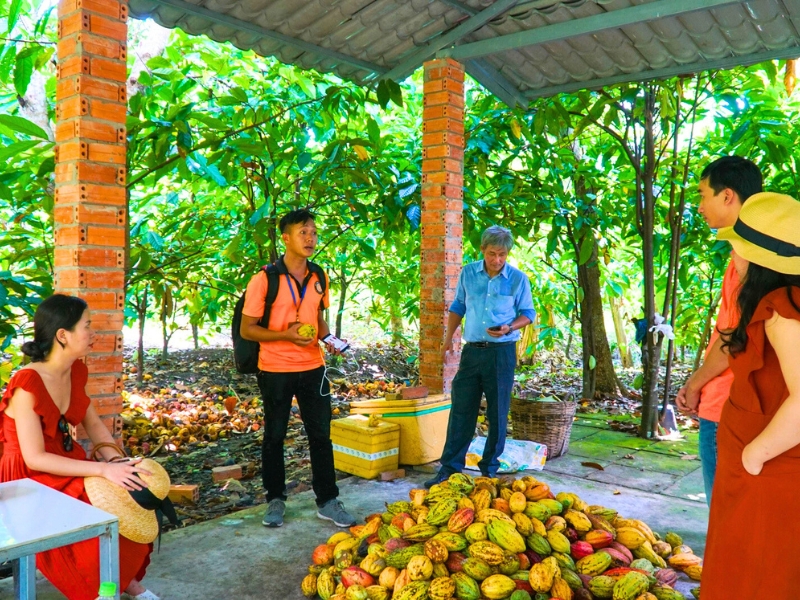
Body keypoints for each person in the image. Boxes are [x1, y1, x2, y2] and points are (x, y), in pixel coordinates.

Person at [0, 294, 158, 600]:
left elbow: (95, 426)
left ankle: (126, 582)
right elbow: (34, 457)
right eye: (87, 325)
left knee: (128, 493)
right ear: (63, 335)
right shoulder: (27, 383)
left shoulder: (74, 371)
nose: (93, 333)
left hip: (63, 461)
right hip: (26, 474)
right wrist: (101, 470)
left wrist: (118, 463)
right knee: (93, 507)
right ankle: (101, 589)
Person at [701, 192, 800, 598]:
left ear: (760, 264)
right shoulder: (772, 305)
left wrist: (754, 456)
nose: (734, 261)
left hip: (768, 473)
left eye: (738, 251)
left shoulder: (782, 310)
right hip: (754, 468)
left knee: (756, 577)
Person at [240, 208, 356, 528]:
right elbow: (248, 329)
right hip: (275, 369)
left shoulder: (319, 275)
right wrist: (284, 335)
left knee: (321, 435)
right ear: (286, 238)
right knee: (274, 436)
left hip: (313, 367)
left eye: (314, 232)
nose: (310, 238)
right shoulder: (265, 279)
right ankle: (275, 499)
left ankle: (328, 500)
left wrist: (330, 338)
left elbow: (316, 317)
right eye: (303, 232)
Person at [675, 156, 762, 505]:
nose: (699, 206)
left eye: (702, 195)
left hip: (726, 404)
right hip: (748, 402)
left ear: (727, 196)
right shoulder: (762, 252)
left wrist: (694, 385)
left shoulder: (745, 256)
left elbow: (732, 338)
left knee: (725, 513)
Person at [425, 225, 535, 487]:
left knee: (497, 413)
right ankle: (449, 469)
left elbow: (528, 314)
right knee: (461, 411)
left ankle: (489, 472)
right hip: (472, 352)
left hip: (501, 353)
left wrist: (510, 327)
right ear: (482, 250)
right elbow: (458, 306)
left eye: (503, 255)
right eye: (492, 254)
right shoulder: (469, 273)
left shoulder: (518, 279)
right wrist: (447, 340)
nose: (497, 260)